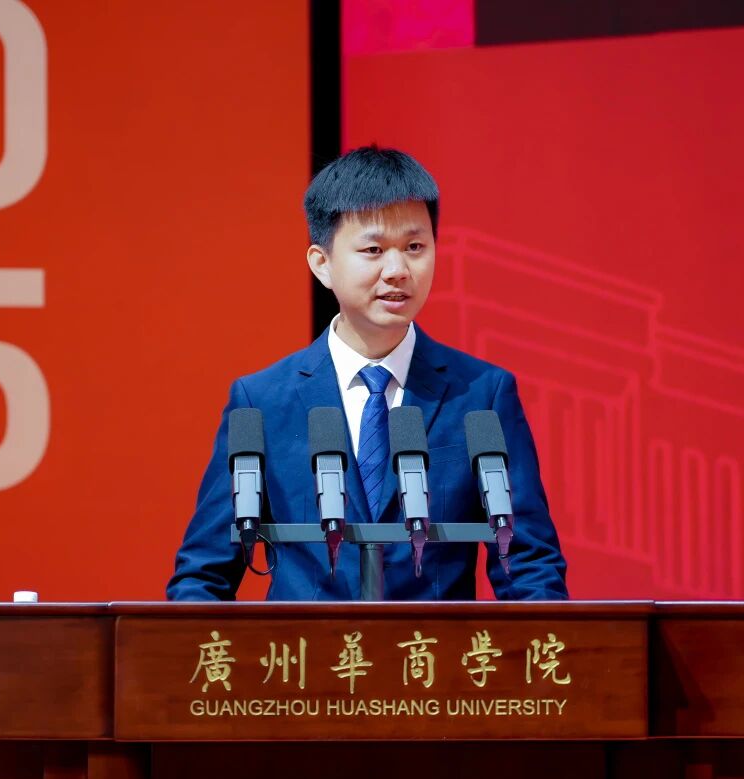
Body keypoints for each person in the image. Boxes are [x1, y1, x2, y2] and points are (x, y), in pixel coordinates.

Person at [166, 146, 567, 601]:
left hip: (430, 648)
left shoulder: (481, 394)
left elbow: (530, 568)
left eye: (415, 247)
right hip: (305, 648)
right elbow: (202, 577)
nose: (397, 270)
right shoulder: (263, 401)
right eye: (374, 249)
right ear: (322, 264)